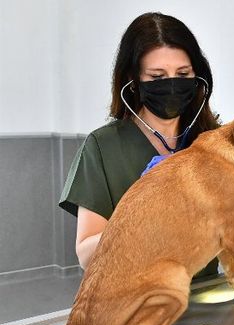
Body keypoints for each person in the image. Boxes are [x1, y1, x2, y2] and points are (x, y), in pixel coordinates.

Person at [59, 12, 221, 275]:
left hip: (206, 297)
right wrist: (142, 219)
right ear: (132, 82)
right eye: (157, 77)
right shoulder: (102, 147)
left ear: (197, 77)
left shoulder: (213, 142)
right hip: (136, 302)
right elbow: (87, 256)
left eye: (183, 74)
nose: (171, 85)